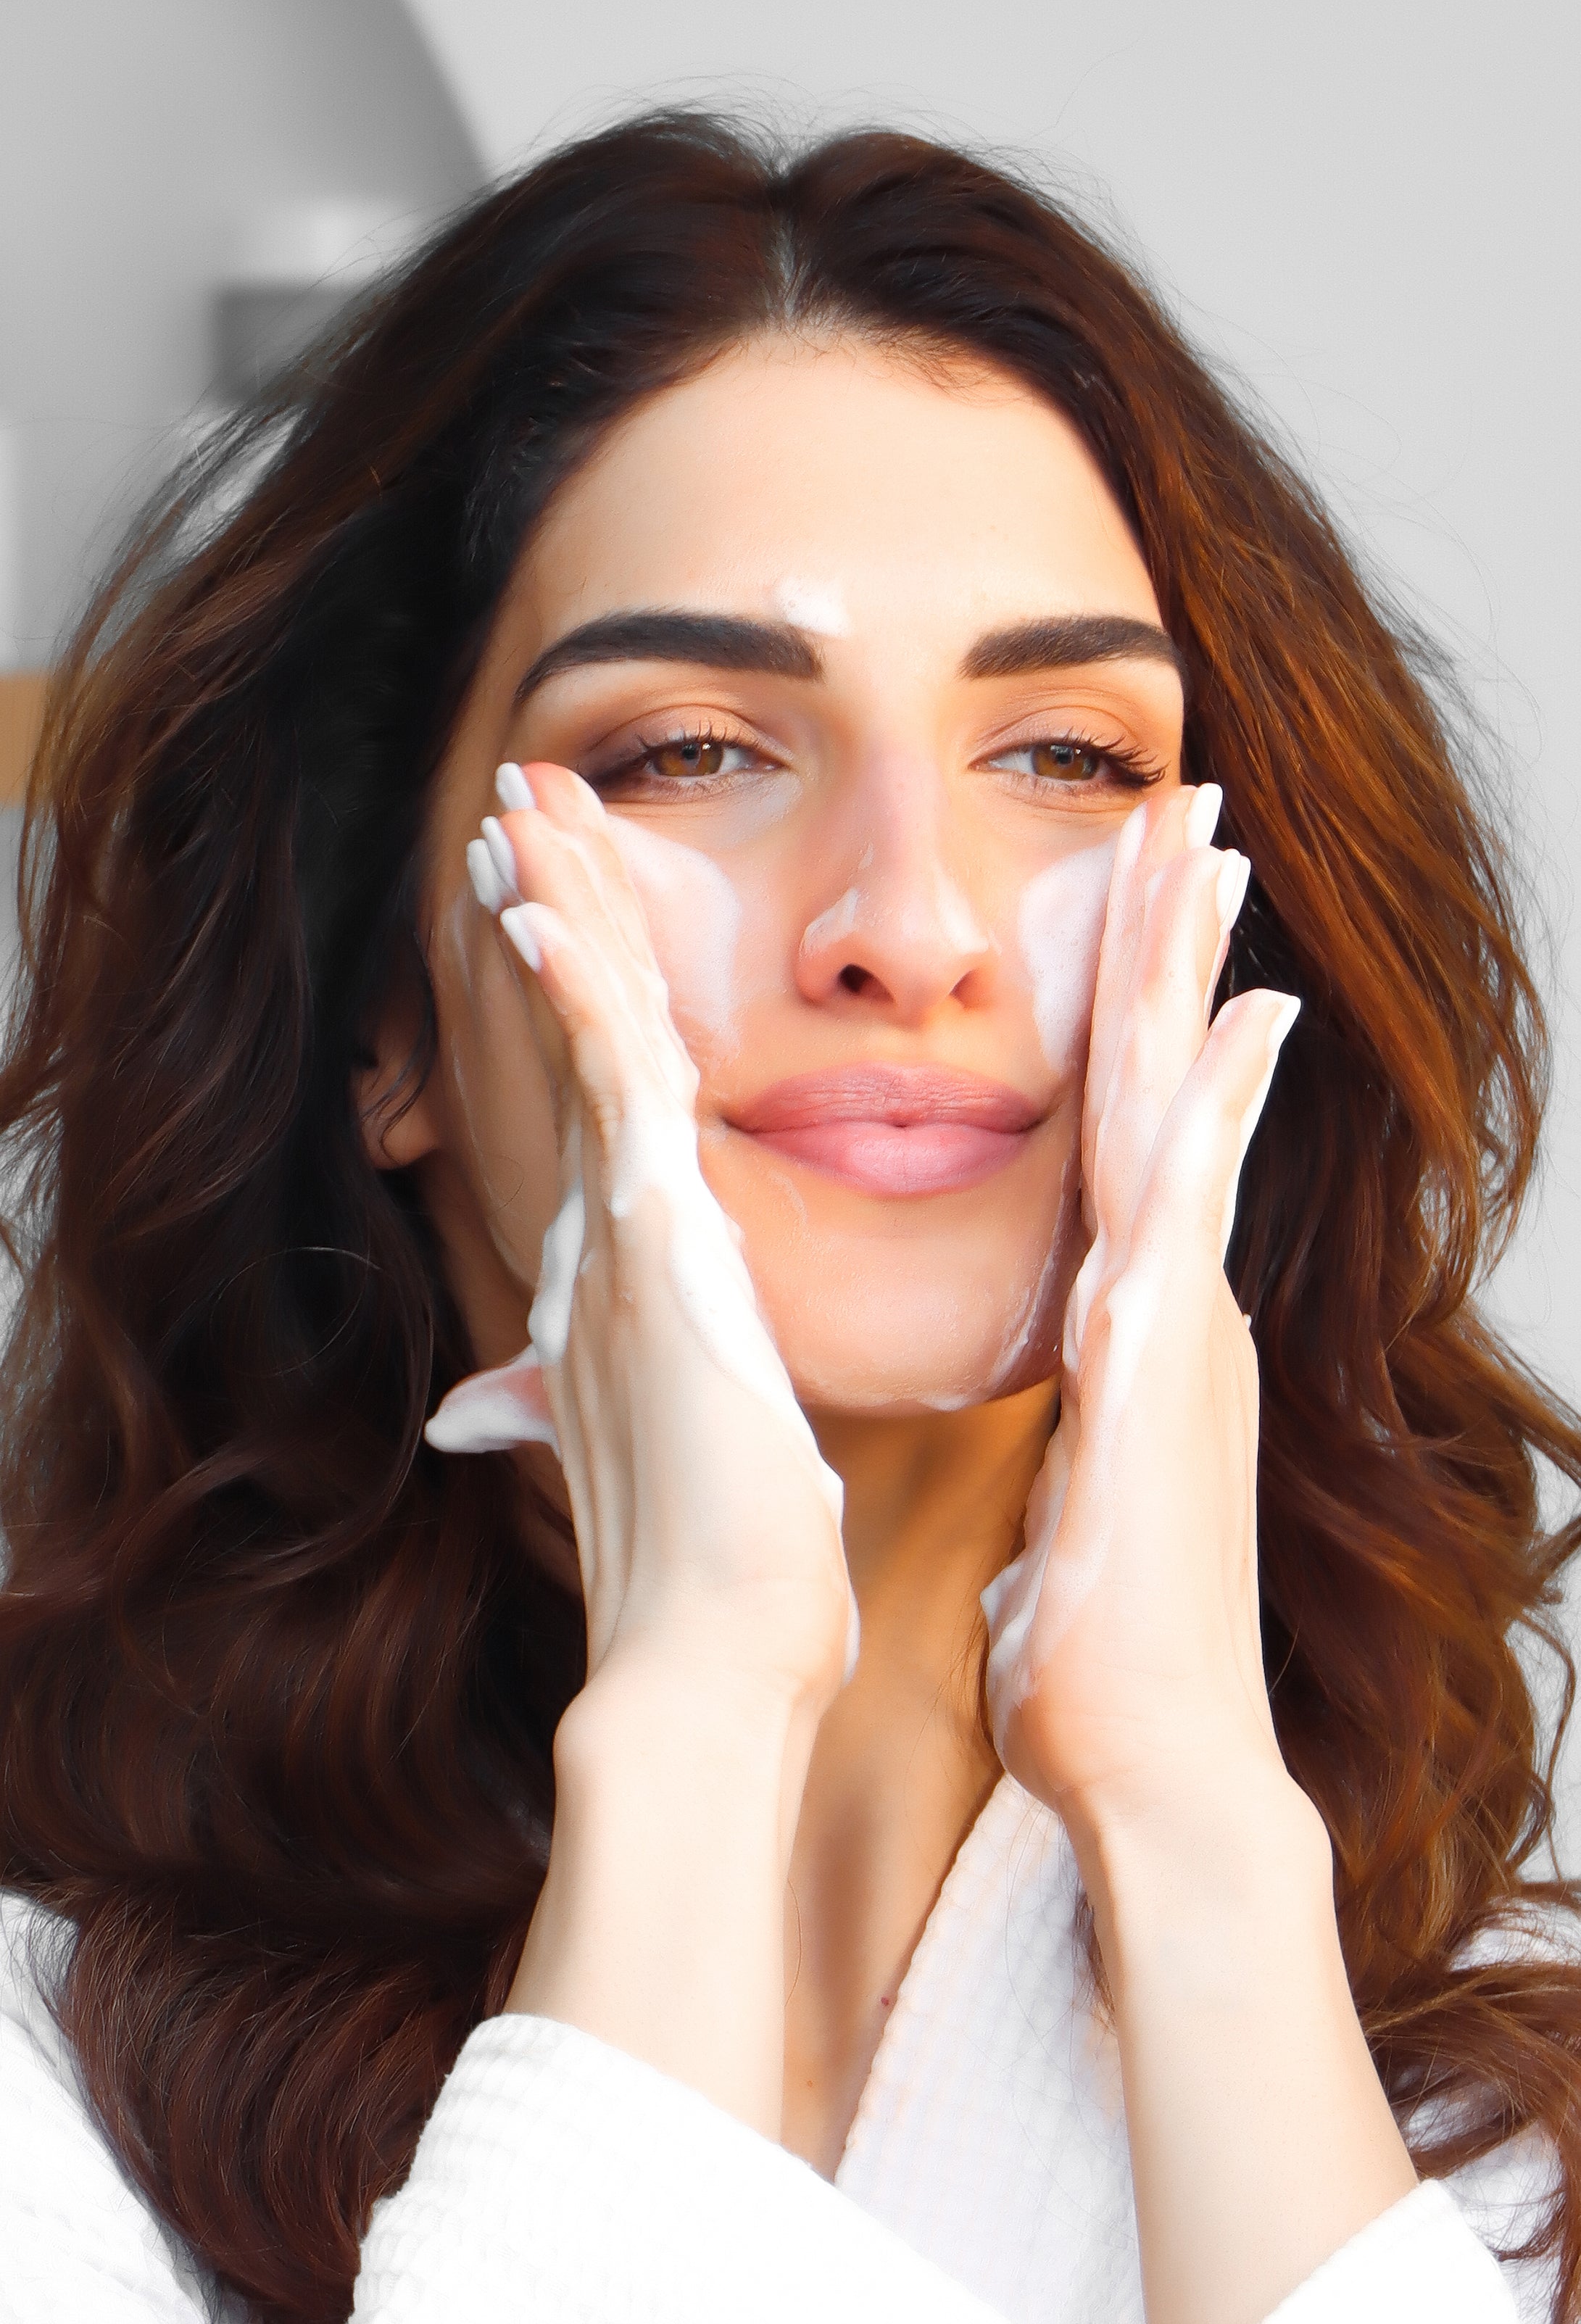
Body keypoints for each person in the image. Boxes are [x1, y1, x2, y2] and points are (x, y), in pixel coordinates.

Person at [1, 112, 1578, 2324]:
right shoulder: (47, 2111)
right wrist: (700, 1709)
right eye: (690, 751)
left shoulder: (1503, 2176)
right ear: (385, 1014)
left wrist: (1200, 1829)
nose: (908, 927)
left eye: (1067, 759)